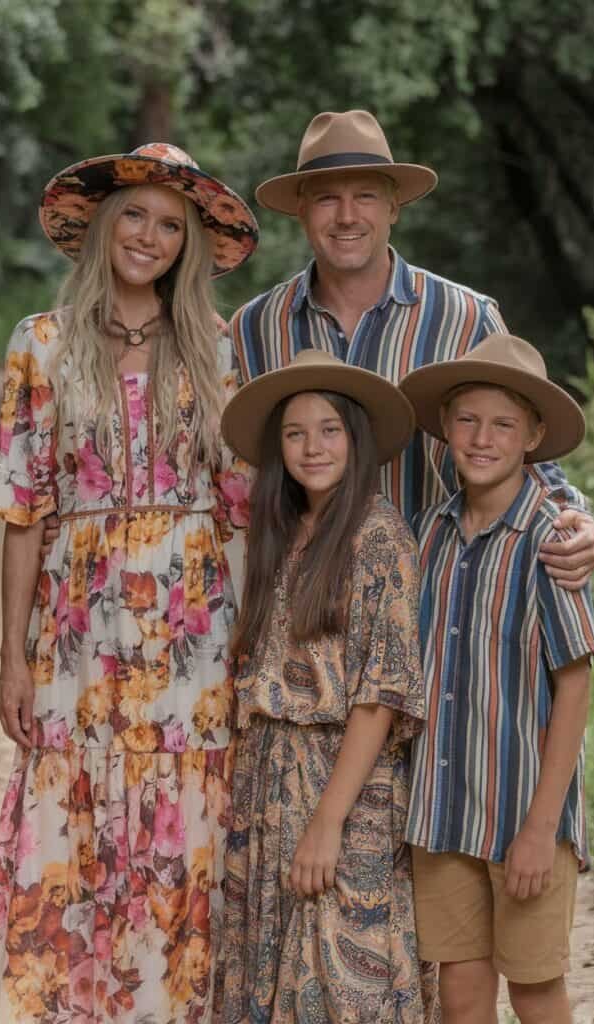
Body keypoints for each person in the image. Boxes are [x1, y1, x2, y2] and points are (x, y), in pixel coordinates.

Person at [0, 143, 258, 1024]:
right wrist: (14, 661)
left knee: (189, 839)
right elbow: (24, 511)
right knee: (75, 836)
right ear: (100, 225)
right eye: (133, 214)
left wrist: (246, 645)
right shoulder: (41, 344)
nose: (150, 236)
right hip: (77, 637)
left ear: (190, 245)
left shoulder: (220, 346)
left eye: (171, 225)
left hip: (195, 637)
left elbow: (243, 513)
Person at [230, 108, 594, 586]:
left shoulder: (466, 318)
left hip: (429, 602)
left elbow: (527, 451)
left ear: (394, 207)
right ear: (301, 209)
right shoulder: (254, 328)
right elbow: (233, 469)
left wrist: (574, 516)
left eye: (365, 196)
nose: (347, 216)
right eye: (327, 199)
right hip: (299, 608)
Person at [219, 349, 439, 1023]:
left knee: (346, 981)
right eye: (294, 432)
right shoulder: (281, 532)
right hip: (267, 777)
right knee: (267, 965)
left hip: (343, 783)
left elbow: (380, 695)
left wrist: (326, 823)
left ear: (356, 438)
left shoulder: (378, 536)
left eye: (328, 429)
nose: (311, 447)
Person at [400, 334, 594, 1024]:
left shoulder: (551, 541)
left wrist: (541, 828)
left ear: (533, 436)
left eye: (503, 424)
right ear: (445, 427)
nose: (481, 438)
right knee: (460, 989)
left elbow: (573, 686)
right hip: (443, 811)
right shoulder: (426, 535)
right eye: (467, 420)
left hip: (522, 811)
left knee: (535, 985)